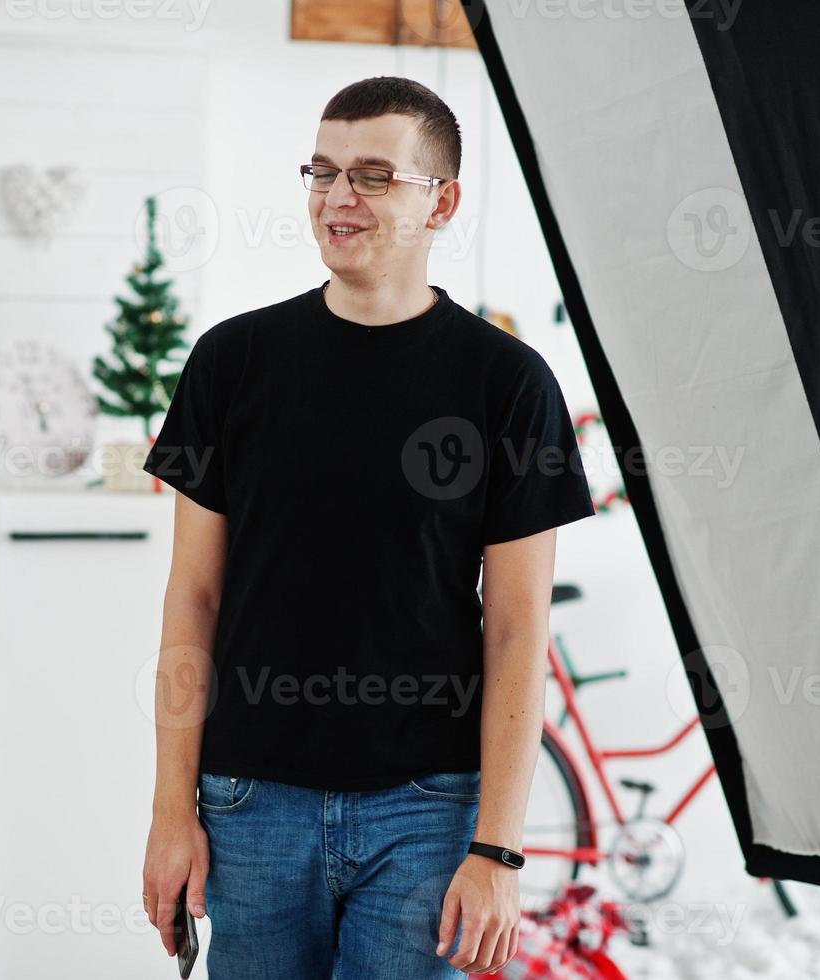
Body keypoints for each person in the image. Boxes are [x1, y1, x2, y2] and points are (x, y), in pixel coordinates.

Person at [140, 75, 596, 979]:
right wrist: (169, 810)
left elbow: (515, 631)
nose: (337, 197)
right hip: (248, 800)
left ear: (444, 201)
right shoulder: (231, 363)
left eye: (374, 175)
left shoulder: (506, 383)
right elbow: (193, 597)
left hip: (429, 809)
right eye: (322, 171)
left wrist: (498, 851)